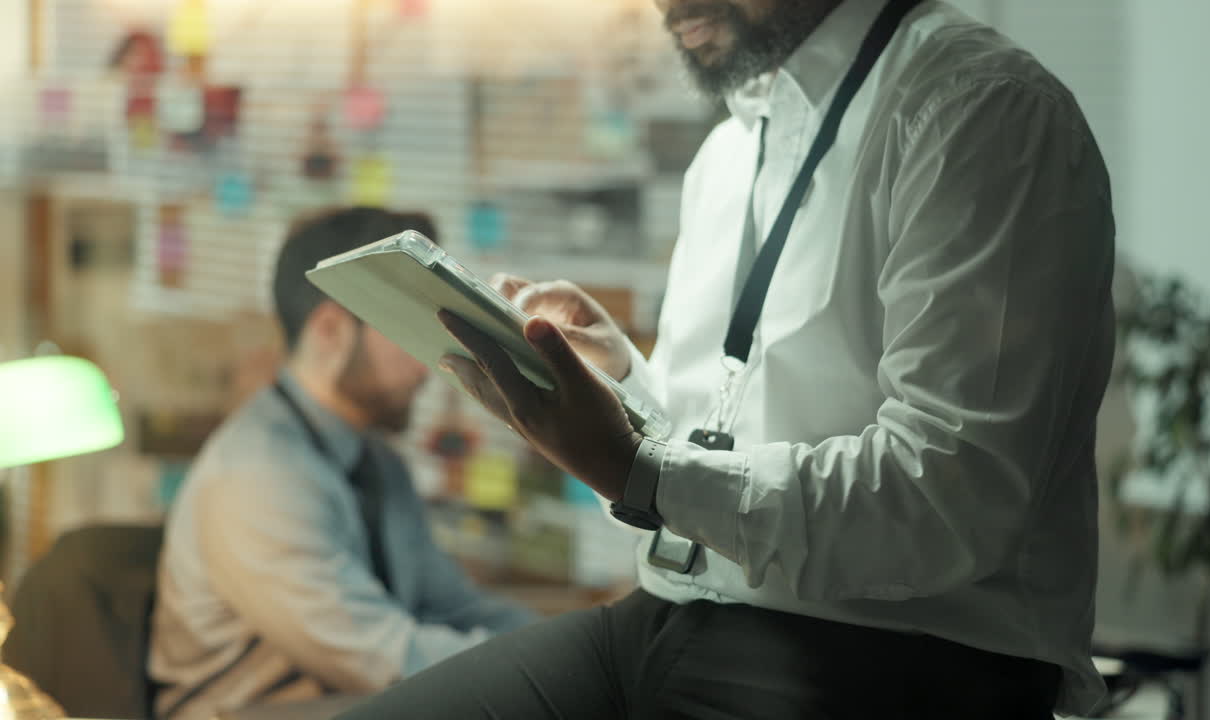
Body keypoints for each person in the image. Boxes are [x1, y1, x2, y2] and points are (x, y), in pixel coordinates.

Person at [342, 0, 1116, 717]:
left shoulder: (980, 110)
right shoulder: (733, 144)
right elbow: (725, 445)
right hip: (668, 617)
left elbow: (948, 498)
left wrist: (638, 471)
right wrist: (624, 383)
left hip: (890, 661)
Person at [149, 207, 537, 720]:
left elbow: (452, 604)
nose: (433, 359)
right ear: (331, 330)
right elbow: (384, 659)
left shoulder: (375, 461)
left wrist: (576, 644)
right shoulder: (257, 475)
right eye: (410, 325)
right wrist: (551, 670)